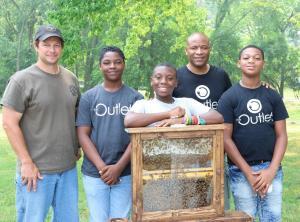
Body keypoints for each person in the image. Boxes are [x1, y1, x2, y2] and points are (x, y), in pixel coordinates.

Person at [1, 24, 80, 221]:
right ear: (36, 46)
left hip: (68, 168)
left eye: (56, 45)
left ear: (62, 47)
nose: (52, 50)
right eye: (46, 44)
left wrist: (76, 146)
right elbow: (9, 123)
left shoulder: (70, 78)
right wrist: (27, 162)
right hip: (36, 171)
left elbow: (74, 114)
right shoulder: (21, 80)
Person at [217, 45, 288, 221]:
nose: (251, 61)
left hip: (271, 169)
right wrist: (248, 172)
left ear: (263, 63)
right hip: (241, 171)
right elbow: (225, 138)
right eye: (246, 57)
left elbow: (282, 135)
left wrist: (271, 170)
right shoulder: (229, 97)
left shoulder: (272, 96)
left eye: (256, 58)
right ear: (238, 63)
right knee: (246, 217)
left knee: (272, 217)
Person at [76, 46, 143, 222]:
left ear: (124, 65)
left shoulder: (136, 98)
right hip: (94, 172)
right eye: (107, 62)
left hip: (126, 172)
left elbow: (138, 137)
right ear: (100, 66)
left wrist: (118, 168)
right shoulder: (88, 97)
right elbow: (83, 134)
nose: (112, 66)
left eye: (117, 62)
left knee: (120, 218)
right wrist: (102, 168)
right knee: (98, 219)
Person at [172, 32, 232, 209]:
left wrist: (261, 87)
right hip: (184, 154)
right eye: (194, 47)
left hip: (216, 152)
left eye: (204, 47)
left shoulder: (221, 76)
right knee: (185, 206)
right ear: (186, 50)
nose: (199, 51)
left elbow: (234, 103)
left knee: (217, 205)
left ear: (209, 49)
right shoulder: (176, 77)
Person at [124, 63, 223, 128]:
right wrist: (168, 114)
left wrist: (182, 120)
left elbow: (217, 117)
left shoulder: (187, 102)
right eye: (158, 77)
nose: (163, 82)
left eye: (170, 78)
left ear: (176, 83)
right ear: (151, 81)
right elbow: (129, 121)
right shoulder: (143, 105)